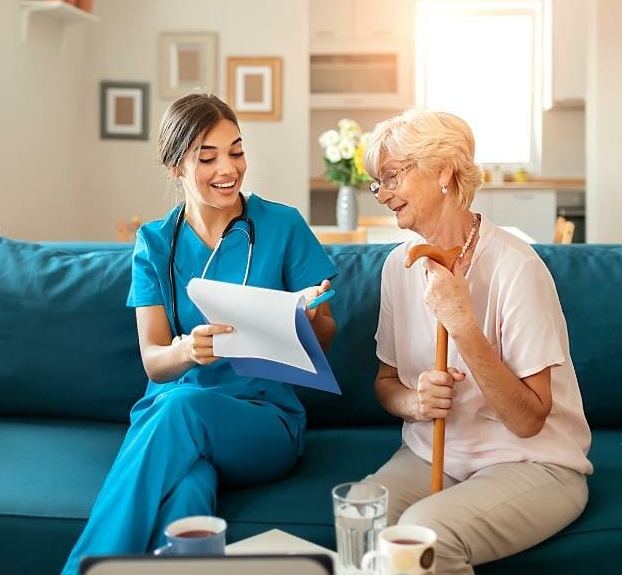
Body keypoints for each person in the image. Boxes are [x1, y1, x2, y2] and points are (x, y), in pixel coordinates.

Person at [62, 92, 337, 574]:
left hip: (263, 422)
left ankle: (83, 569)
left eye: (236, 150)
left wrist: (312, 323)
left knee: (180, 407)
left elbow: (327, 338)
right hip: (174, 419)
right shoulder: (153, 243)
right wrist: (188, 350)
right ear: (175, 166)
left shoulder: (282, 226)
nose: (228, 168)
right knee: (187, 491)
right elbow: (154, 361)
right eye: (207, 157)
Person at [360, 109, 592, 575]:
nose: (382, 194)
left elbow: (529, 421)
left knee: (423, 539)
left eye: (391, 177)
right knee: (361, 516)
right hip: (433, 453)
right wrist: (414, 402)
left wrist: (463, 325)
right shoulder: (396, 267)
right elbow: (385, 382)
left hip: (533, 462)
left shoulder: (515, 267)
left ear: (442, 170)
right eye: (377, 183)